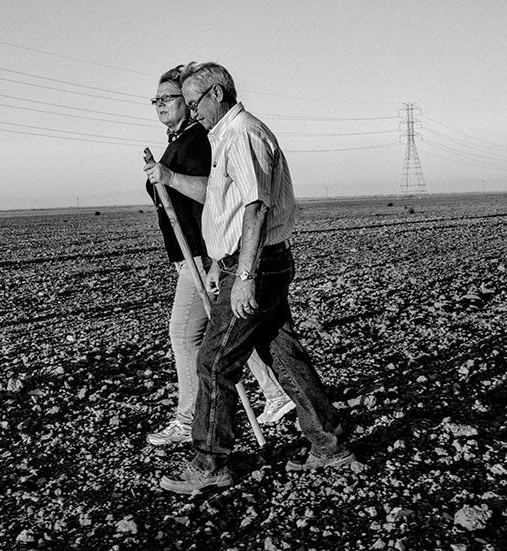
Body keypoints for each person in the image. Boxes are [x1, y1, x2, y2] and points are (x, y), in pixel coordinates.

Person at [145, 61, 354, 495]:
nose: (191, 111)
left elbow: (255, 207)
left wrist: (243, 275)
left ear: (217, 93)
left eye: (193, 102)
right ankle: (329, 445)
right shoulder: (226, 136)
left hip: (254, 263)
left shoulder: (242, 134)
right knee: (284, 355)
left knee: (215, 361)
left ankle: (209, 464)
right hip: (254, 262)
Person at [144, 65, 296, 447]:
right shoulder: (183, 140)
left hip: (203, 257)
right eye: (156, 100)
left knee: (187, 336)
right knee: (231, 333)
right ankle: (279, 395)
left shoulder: (201, 141)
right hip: (196, 257)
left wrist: (170, 178)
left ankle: (190, 421)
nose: (161, 105)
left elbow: (226, 199)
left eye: (171, 99)